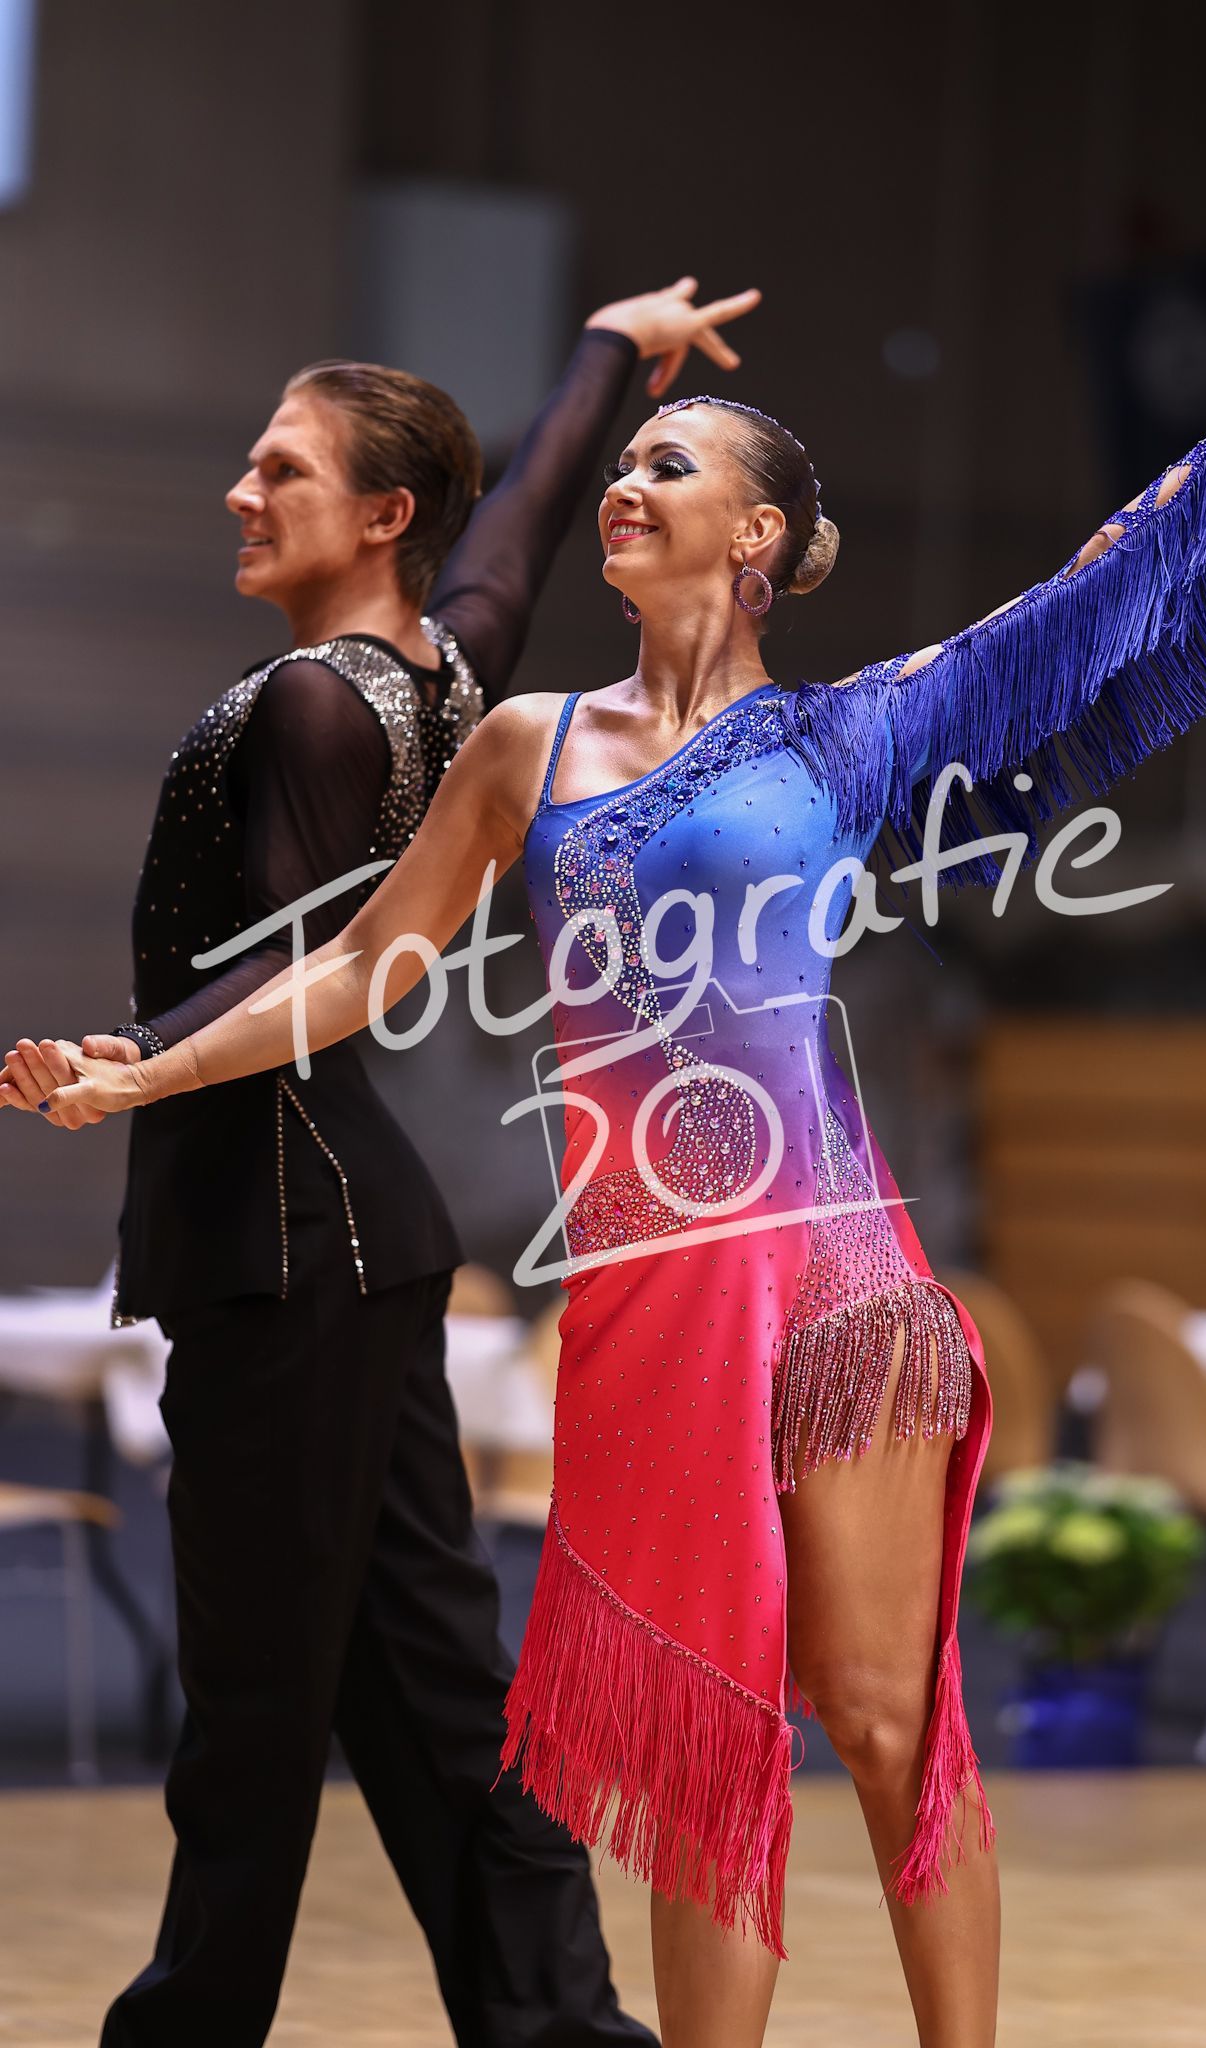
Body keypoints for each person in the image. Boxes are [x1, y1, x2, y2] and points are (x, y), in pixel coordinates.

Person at [11, 353, 1206, 2048]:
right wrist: (153, 1066)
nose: (626, 488)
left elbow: (1068, 613)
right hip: (655, 1296)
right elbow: (359, 962)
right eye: (623, 465)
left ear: (757, 535)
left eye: (667, 465)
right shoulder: (526, 746)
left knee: (881, 1718)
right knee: (704, 1743)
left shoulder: (848, 735)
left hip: (841, 1281)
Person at [1, 274, 762, 2048]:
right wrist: (611, 348)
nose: (241, 490)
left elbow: (312, 968)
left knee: (257, 1711)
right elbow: (518, 534)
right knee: (428, 1689)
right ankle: (558, 2027)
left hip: (284, 1245)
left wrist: (133, 1067)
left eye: (282, 468)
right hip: (346, 1240)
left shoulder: (309, 705)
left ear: (379, 514)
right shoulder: (444, 669)